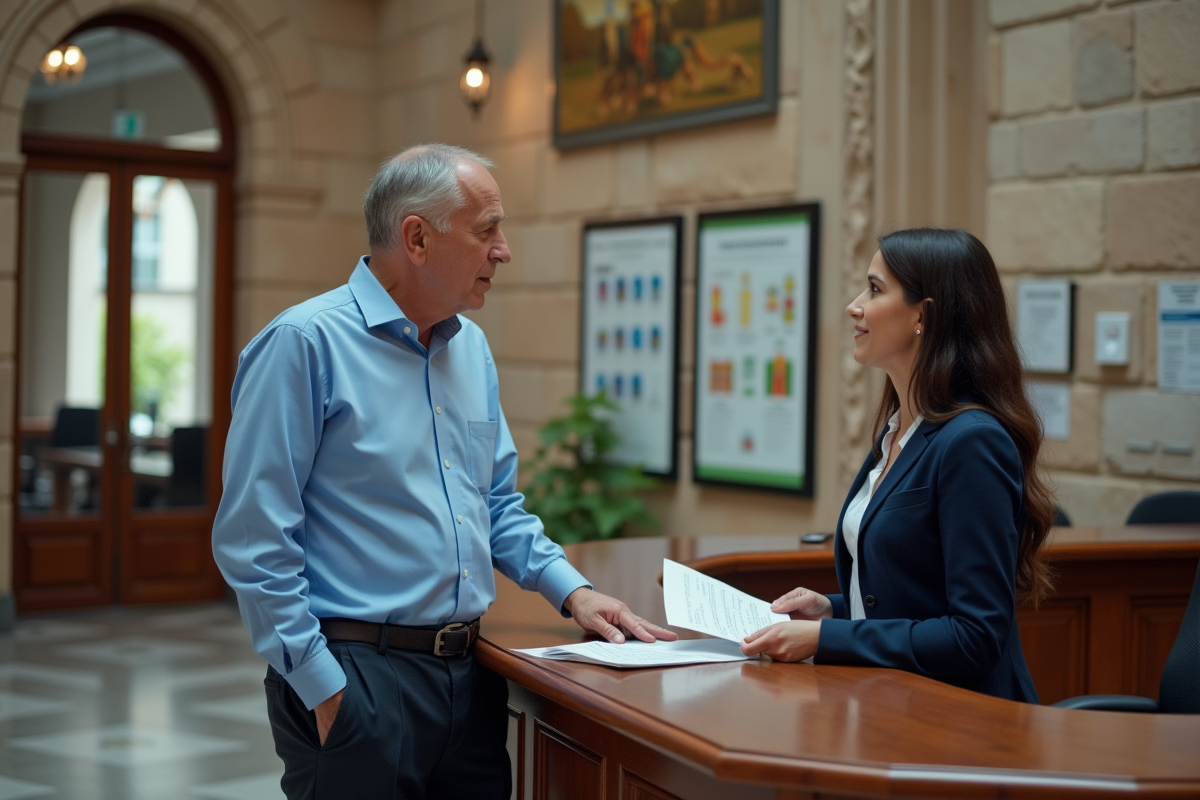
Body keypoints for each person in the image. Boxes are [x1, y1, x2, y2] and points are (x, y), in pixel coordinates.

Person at [212, 143, 675, 800]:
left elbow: (494, 504)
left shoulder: (472, 349)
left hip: (468, 681)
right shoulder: (303, 344)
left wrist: (574, 592)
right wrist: (322, 686)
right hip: (357, 678)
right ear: (417, 238)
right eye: (488, 230)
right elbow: (255, 540)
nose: (505, 250)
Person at [740, 228, 1053, 703]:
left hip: (969, 726)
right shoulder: (898, 432)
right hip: (897, 706)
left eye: (874, 289)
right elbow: (912, 596)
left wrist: (829, 640)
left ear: (923, 316)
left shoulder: (973, 442)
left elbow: (975, 635)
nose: (854, 305)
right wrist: (833, 611)